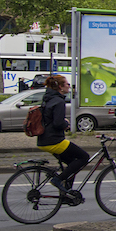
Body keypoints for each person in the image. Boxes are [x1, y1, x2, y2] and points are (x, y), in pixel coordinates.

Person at [37, 75, 89, 204]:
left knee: (73, 164)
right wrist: (66, 124)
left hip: (43, 140)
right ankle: (57, 180)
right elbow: (57, 123)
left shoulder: (48, 98)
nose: (68, 86)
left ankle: (67, 194)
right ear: (60, 87)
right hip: (54, 141)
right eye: (66, 84)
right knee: (84, 157)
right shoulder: (59, 101)